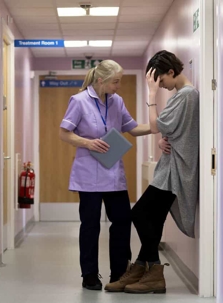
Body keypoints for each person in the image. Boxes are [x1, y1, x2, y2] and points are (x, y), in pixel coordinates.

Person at [105, 50, 199, 294]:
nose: (162, 86)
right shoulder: (183, 95)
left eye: (162, 80)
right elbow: (170, 131)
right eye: (157, 83)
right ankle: (143, 269)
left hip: (175, 170)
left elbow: (157, 126)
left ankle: (150, 268)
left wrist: (151, 94)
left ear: (171, 71)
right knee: (153, 218)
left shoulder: (187, 95)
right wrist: (163, 140)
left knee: (139, 213)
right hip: (170, 167)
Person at [59, 60, 151, 291]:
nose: (119, 86)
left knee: (122, 222)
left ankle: (119, 273)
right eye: (116, 81)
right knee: (90, 225)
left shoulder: (116, 101)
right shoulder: (79, 101)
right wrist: (87, 143)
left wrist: (158, 126)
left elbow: (132, 128)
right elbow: (64, 133)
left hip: (113, 174)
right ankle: (89, 274)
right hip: (88, 175)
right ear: (101, 80)